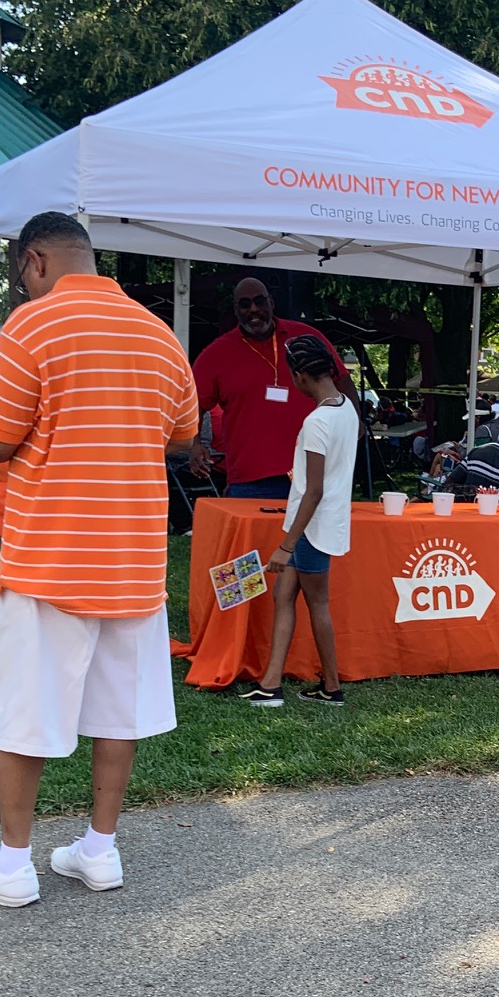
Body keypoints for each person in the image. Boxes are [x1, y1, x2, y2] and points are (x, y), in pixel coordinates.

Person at [0, 211, 199, 908]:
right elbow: (183, 434)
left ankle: (12, 863)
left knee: (26, 710)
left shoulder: (33, 327)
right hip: (135, 559)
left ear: (34, 262)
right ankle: (99, 849)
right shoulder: (158, 334)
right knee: (120, 710)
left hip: (51, 556)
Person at [240, 336, 360, 710]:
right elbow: (322, 480)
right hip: (322, 524)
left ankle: (332, 687)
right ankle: (271, 683)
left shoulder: (316, 421)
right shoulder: (347, 411)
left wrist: (286, 545)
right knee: (283, 595)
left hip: (311, 528)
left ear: (299, 376)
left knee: (317, 604)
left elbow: (315, 491)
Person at [190, 277, 348, 496]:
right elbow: (191, 403)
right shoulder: (216, 354)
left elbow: (342, 379)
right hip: (250, 479)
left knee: (310, 531)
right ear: (236, 310)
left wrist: (354, 422)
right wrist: (195, 444)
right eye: (245, 304)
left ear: (271, 302)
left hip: (312, 472)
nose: (253, 309)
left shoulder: (304, 336)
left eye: (259, 301)